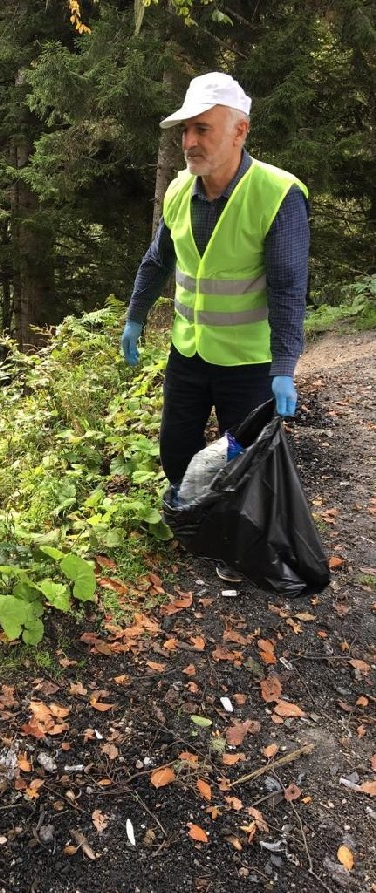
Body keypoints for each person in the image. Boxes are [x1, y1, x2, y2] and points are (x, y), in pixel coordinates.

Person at [121, 72, 310, 582]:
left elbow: (288, 287)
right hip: (189, 352)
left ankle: (234, 546)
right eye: (185, 130)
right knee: (176, 448)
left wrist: (284, 365)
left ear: (239, 130)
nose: (189, 141)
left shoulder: (277, 194)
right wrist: (136, 316)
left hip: (248, 360)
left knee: (242, 462)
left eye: (202, 129)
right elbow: (157, 260)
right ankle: (200, 525)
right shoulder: (180, 190)